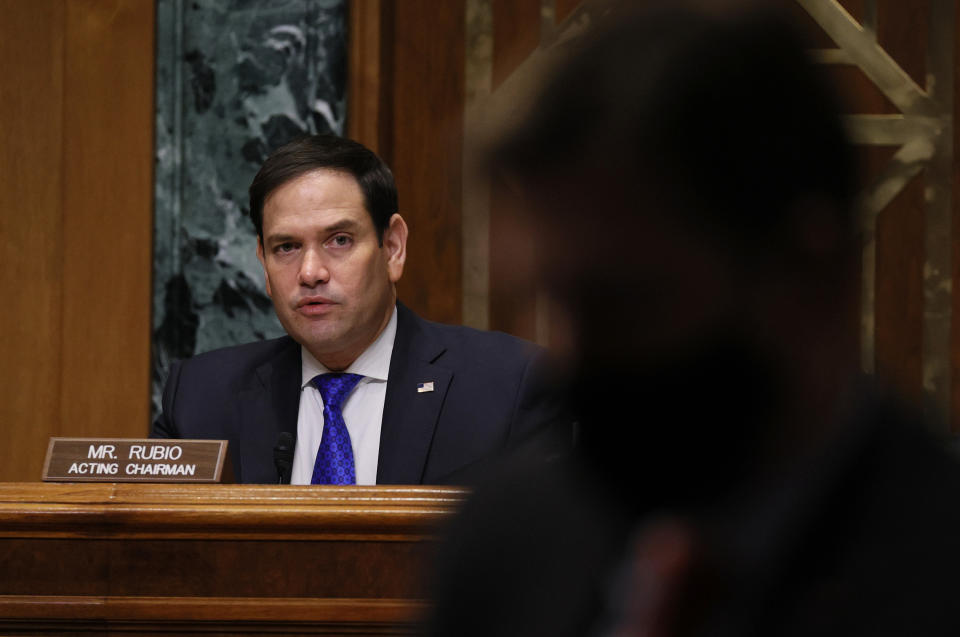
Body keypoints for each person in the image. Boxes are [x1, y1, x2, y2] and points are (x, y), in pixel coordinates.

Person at [427, 3, 960, 636]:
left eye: (619, 303)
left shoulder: (938, 567)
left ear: (804, 272)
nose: (562, 357)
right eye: (548, 302)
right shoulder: (507, 544)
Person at [152, 135, 569, 484]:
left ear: (393, 247)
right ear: (262, 261)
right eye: (287, 247)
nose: (311, 272)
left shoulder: (510, 386)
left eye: (339, 240)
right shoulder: (199, 400)